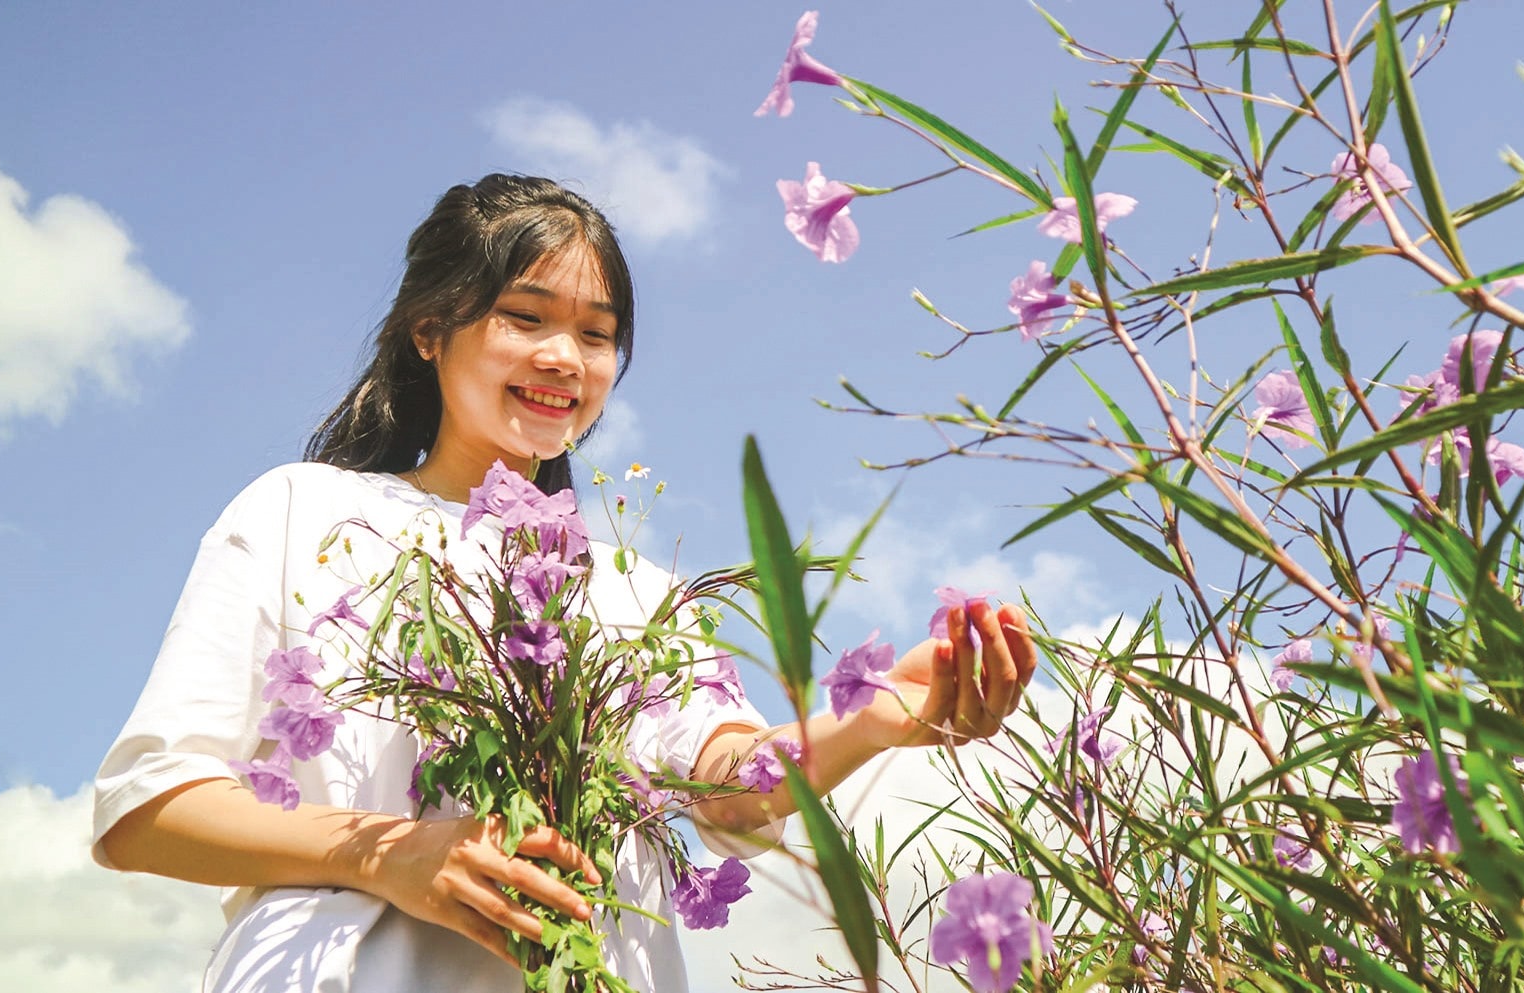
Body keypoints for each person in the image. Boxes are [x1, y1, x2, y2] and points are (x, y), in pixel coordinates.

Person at [92, 174, 1038, 993]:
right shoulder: (303, 511)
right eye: (526, 316)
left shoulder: (634, 588)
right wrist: (389, 853)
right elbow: (145, 809)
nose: (564, 359)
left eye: (597, 334)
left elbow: (721, 788)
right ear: (430, 328)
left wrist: (883, 713)